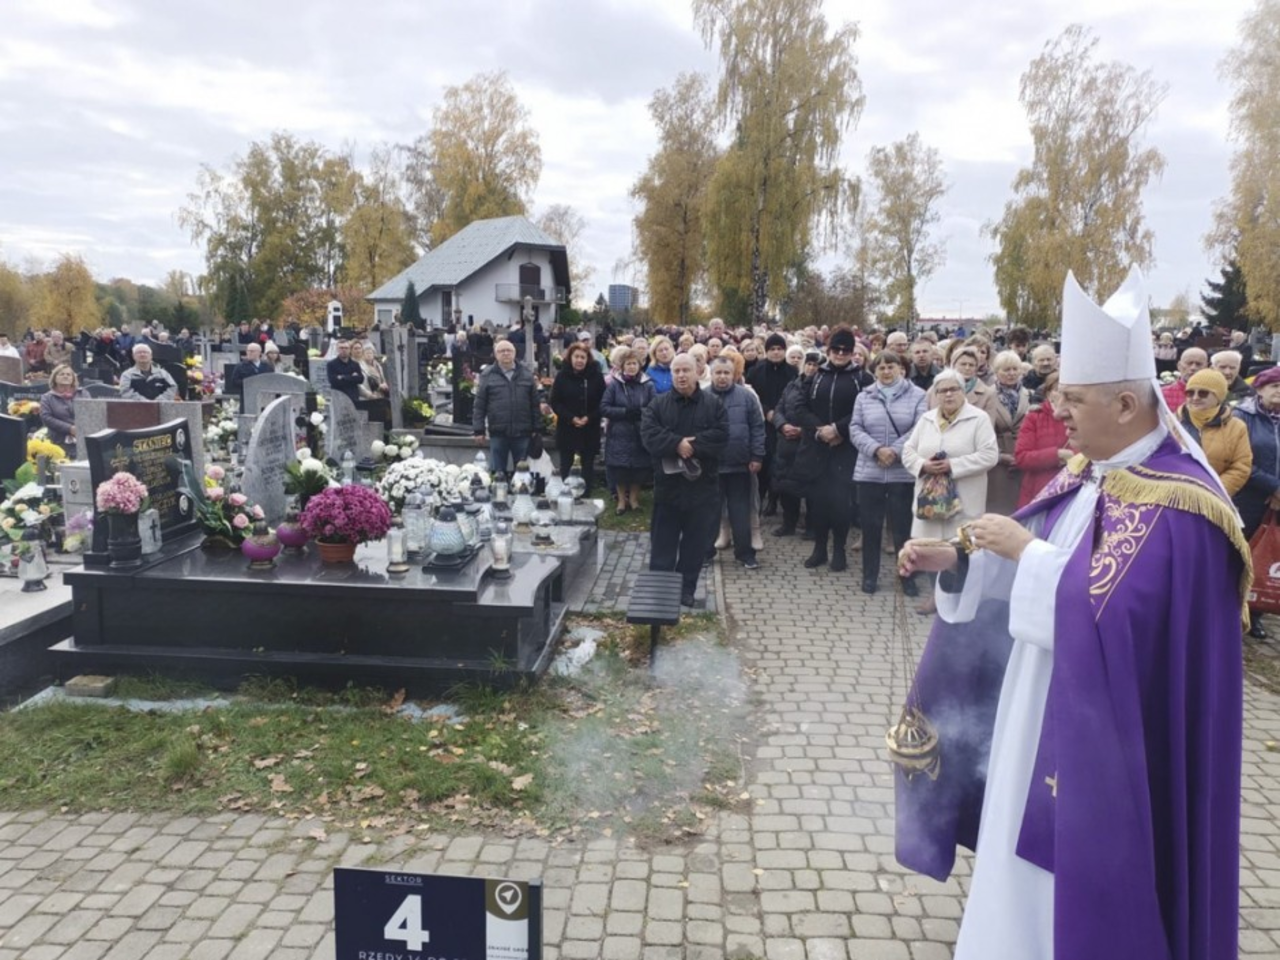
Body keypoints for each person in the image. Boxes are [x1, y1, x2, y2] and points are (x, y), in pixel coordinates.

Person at [897, 268, 1246, 960]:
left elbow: (1124, 621)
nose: (1061, 413)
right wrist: (961, 560)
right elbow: (1041, 554)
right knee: (1015, 869)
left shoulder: (1185, 505)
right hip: (1037, 710)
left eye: (1076, 400)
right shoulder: (1089, 469)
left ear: (1127, 403)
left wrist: (1025, 552)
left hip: (1112, 741)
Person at [641, 354, 729, 607]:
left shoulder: (713, 404)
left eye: (686, 370)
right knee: (663, 543)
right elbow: (649, 435)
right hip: (668, 488)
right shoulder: (658, 405)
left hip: (702, 488)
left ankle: (685, 589)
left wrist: (694, 445)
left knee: (695, 544)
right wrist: (676, 443)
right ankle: (661, 591)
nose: (681, 375)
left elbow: (721, 436)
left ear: (697, 372)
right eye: (676, 371)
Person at [850, 351, 927, 594]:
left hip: (902, 473)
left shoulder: (918, 395)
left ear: (900, 368)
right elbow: (855, 428)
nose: (886, 371)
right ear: (874, 371)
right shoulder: (864, 396)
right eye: (881, 367)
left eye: (890, 366)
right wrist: (876, 450)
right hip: (870, 472)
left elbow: (919, 428)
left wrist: (894, 450)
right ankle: (870, 576)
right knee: (871, 527)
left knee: (903, 530)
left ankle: (906, 577)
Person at [794, 326, 865, 570]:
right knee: (818, 503)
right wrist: (821, 429)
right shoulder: (816, 375)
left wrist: (838, 429)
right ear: (828, 349)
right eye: (836, 349)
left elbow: (864, 412)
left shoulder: (862, 378)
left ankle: (839, 550)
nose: (841, 353)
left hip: (845, 449)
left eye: (846, 350)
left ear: (852, 352)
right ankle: (819, 548)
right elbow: (799, 407)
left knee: (841, 504)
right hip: (817, 447)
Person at [1234, 365, 1280, 638]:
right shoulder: (1242, 416)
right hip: (1248, 497)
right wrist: (1274, 487)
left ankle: (1256, 611)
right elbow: (1240, 459)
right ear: (1260, 388)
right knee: (1241, 553)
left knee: (1269, 556)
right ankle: (1231, 609)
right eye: (1275, 386)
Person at [709, 355, 765, 569]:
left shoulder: (747, 397)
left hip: (740, 465)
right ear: (712, 374)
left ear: (734, 375)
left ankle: (745, 554)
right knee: (710, 512)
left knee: (740, 512)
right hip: (711, 466)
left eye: (726, 373)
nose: (722, 377)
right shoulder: (702, 396)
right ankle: (705, 552)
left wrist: (757, 455)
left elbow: (757, 428)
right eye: (718, 372)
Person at [1176, 369, 1252, 497]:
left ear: (1218, 397)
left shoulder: (1237, 427)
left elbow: (1241, 466)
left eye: (1203, 393)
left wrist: (1213, 492)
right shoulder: (1171, 422)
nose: (1195, 397)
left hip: (1214, 497)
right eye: (1190, 393)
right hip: (1174, 496)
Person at [771, 350, 822, 537]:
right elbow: (779, 408)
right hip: (786, 444)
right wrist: (782, 425)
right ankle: (788, 524)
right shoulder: (792, 384)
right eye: (808, 364)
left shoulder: (822, 387)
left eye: (815, 365)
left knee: (812, 489)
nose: (811, 368)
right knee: (786, 486)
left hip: (809, 445)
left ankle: (812, 526)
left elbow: (821, 416)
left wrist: (803, 430)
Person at [473, 339, 540, 475]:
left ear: (514, 353)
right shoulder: (487, 375)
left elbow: (534, 404)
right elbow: (480, 404)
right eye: (501, 351)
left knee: (522, 474)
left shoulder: (526, 374)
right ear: (495, 355)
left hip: (522, 432)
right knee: (498, 473)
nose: (505, 353)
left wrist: (536, 428)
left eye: (509, 350)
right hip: (498, 432)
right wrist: (479, 430)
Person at [748, 333, 797, 517]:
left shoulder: (792, 372)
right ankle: (760, 501)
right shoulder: (756, 371)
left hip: (785, 423)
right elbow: (751, 395)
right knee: (764, 461)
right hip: (763, 422)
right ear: (766, 351)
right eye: (772, 349)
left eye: (779, 349)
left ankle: (776, 500)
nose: (776, 352)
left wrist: (781, 416)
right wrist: (766, 411)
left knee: (781, 464)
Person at [601, 350, 655, 514]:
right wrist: (624, 412)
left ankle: (634, 499)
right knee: (620, 469)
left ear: (639, 365)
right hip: (619, 433)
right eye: (628, 364)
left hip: (640, 433)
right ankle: (621, 501)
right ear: (622, 366)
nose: (632, 367)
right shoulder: (615, 385)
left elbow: (654, 408)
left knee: (638, 469)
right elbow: (604, 407)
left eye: (634, 363)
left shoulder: (648, 385)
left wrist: (641, 413)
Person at [549, 341, 605, 493]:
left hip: (589, 427)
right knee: (566, 463)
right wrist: (571, 418)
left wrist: (590, 417)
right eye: (576, 357)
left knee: (587, 464)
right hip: (567, 426)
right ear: (570, 358)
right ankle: (566, 492)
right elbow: (555, 402)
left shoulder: (596, 377)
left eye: (583, 357)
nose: (579, 360)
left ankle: (585, 493)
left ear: (588, 359)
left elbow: (603, 402)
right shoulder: (562, 376)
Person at [1012, 372, 1071, 509]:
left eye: (1068, 392)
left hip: (1070, 491)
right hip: (1038, 491)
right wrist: (1057, 455)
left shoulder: (1081, 418)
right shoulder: (1034, 418)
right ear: (1049, 394)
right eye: (1058, 390)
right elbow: (1022, 457)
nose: (1063, 396)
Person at [985, 350, 1031, 516]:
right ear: (996, 372)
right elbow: (984, 432)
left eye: (1015, 369)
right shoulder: (987, 394)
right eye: (1006, 370)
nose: (1011, 373)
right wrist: (999, 456)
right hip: (998, 458)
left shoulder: (1028, 394)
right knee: (1000, 508)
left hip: (1024, 456)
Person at [39, 364, 86, 454]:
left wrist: (80, 428)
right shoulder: (47, 398)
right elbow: (46, 418)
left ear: (73, 378)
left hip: (82, 438)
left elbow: (91, 411)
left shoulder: (83, 393)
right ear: (55, 378)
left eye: (68, 374)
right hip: (58, 441)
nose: (65, 376)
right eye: (62, 374)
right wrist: (69, 428)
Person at [1160, 345, 1207, 410]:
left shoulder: (1213, 394)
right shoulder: (1163, 394)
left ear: (1206, 367)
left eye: (1198, 364)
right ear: (1179, 366)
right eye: (1189, 363)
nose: (1193, 368)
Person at [326, 339, 365, 403]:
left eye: (346, 348)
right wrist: (352, 378)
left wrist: (343, 377)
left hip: (353, 399)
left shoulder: (355, 364)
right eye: (341, 348)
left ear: (350, 350)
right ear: (337, 349)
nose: (344, 350)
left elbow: (361, 379)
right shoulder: (331, 364)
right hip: (339, 399)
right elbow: (333, 381)